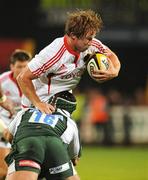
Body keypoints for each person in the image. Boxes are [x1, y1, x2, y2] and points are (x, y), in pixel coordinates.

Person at [7, 9, 120, 180]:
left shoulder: (91, 44)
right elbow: (23, 77)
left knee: (50, 155)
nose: (92, 42)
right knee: (31, 150)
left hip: (60, 105)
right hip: (36, 105)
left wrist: (114, 71)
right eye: (88, 38)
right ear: (73, 36)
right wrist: (38, 103)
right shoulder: (53, 53)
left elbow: (111, 56)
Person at [5, 91, 81, 180]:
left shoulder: (26, 111)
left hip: (28, 142)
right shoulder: (69, 122)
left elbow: (8, 136)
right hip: (55, 146)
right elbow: (74, 159)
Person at [0, 49, 31, 180]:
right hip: (4, 124)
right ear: (12, 66)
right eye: (19, 67)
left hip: (24, 126)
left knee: (28, 169)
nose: (23, 70)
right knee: (4, 171)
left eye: (25, 66)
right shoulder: (2, 81)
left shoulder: (34, 80)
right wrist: (3, 129)